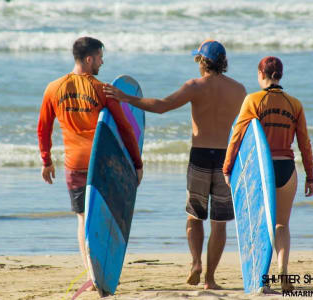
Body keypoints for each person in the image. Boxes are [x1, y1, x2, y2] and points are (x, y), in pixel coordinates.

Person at [103, 40, 246, 289]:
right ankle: (210, 279)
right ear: (223, 62)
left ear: (202, 62)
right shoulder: (239, 90)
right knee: (219, 222)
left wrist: (126, 98)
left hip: (200, 156)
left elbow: (162, 106)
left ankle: (195, 264)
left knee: (194, 216)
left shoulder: (195, 86)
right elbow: (247, 127)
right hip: (226, 159)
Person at [37, 37, 143, 288]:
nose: (102, 61)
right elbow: (126, 129)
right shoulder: (102, 89)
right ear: (88, 59)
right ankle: (102, 266)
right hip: (101, 164)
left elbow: (43, 128)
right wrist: (136, 163)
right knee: (102, 215)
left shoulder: (53, 88)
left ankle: (91, 275)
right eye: (99, 57)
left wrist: (46, 160)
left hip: (74, 166)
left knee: (83, 218)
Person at [223, 56, 313, 292]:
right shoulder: (295, 104)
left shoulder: (253, 100)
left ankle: (261, 279)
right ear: (280, 75)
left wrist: (228, 168)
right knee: (281, 225)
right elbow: (305, 143)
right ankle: (283, 270)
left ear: (260, 74)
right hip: (286, 168)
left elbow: (237, 137)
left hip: (260, 169)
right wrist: (310, 176)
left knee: (259, 225)